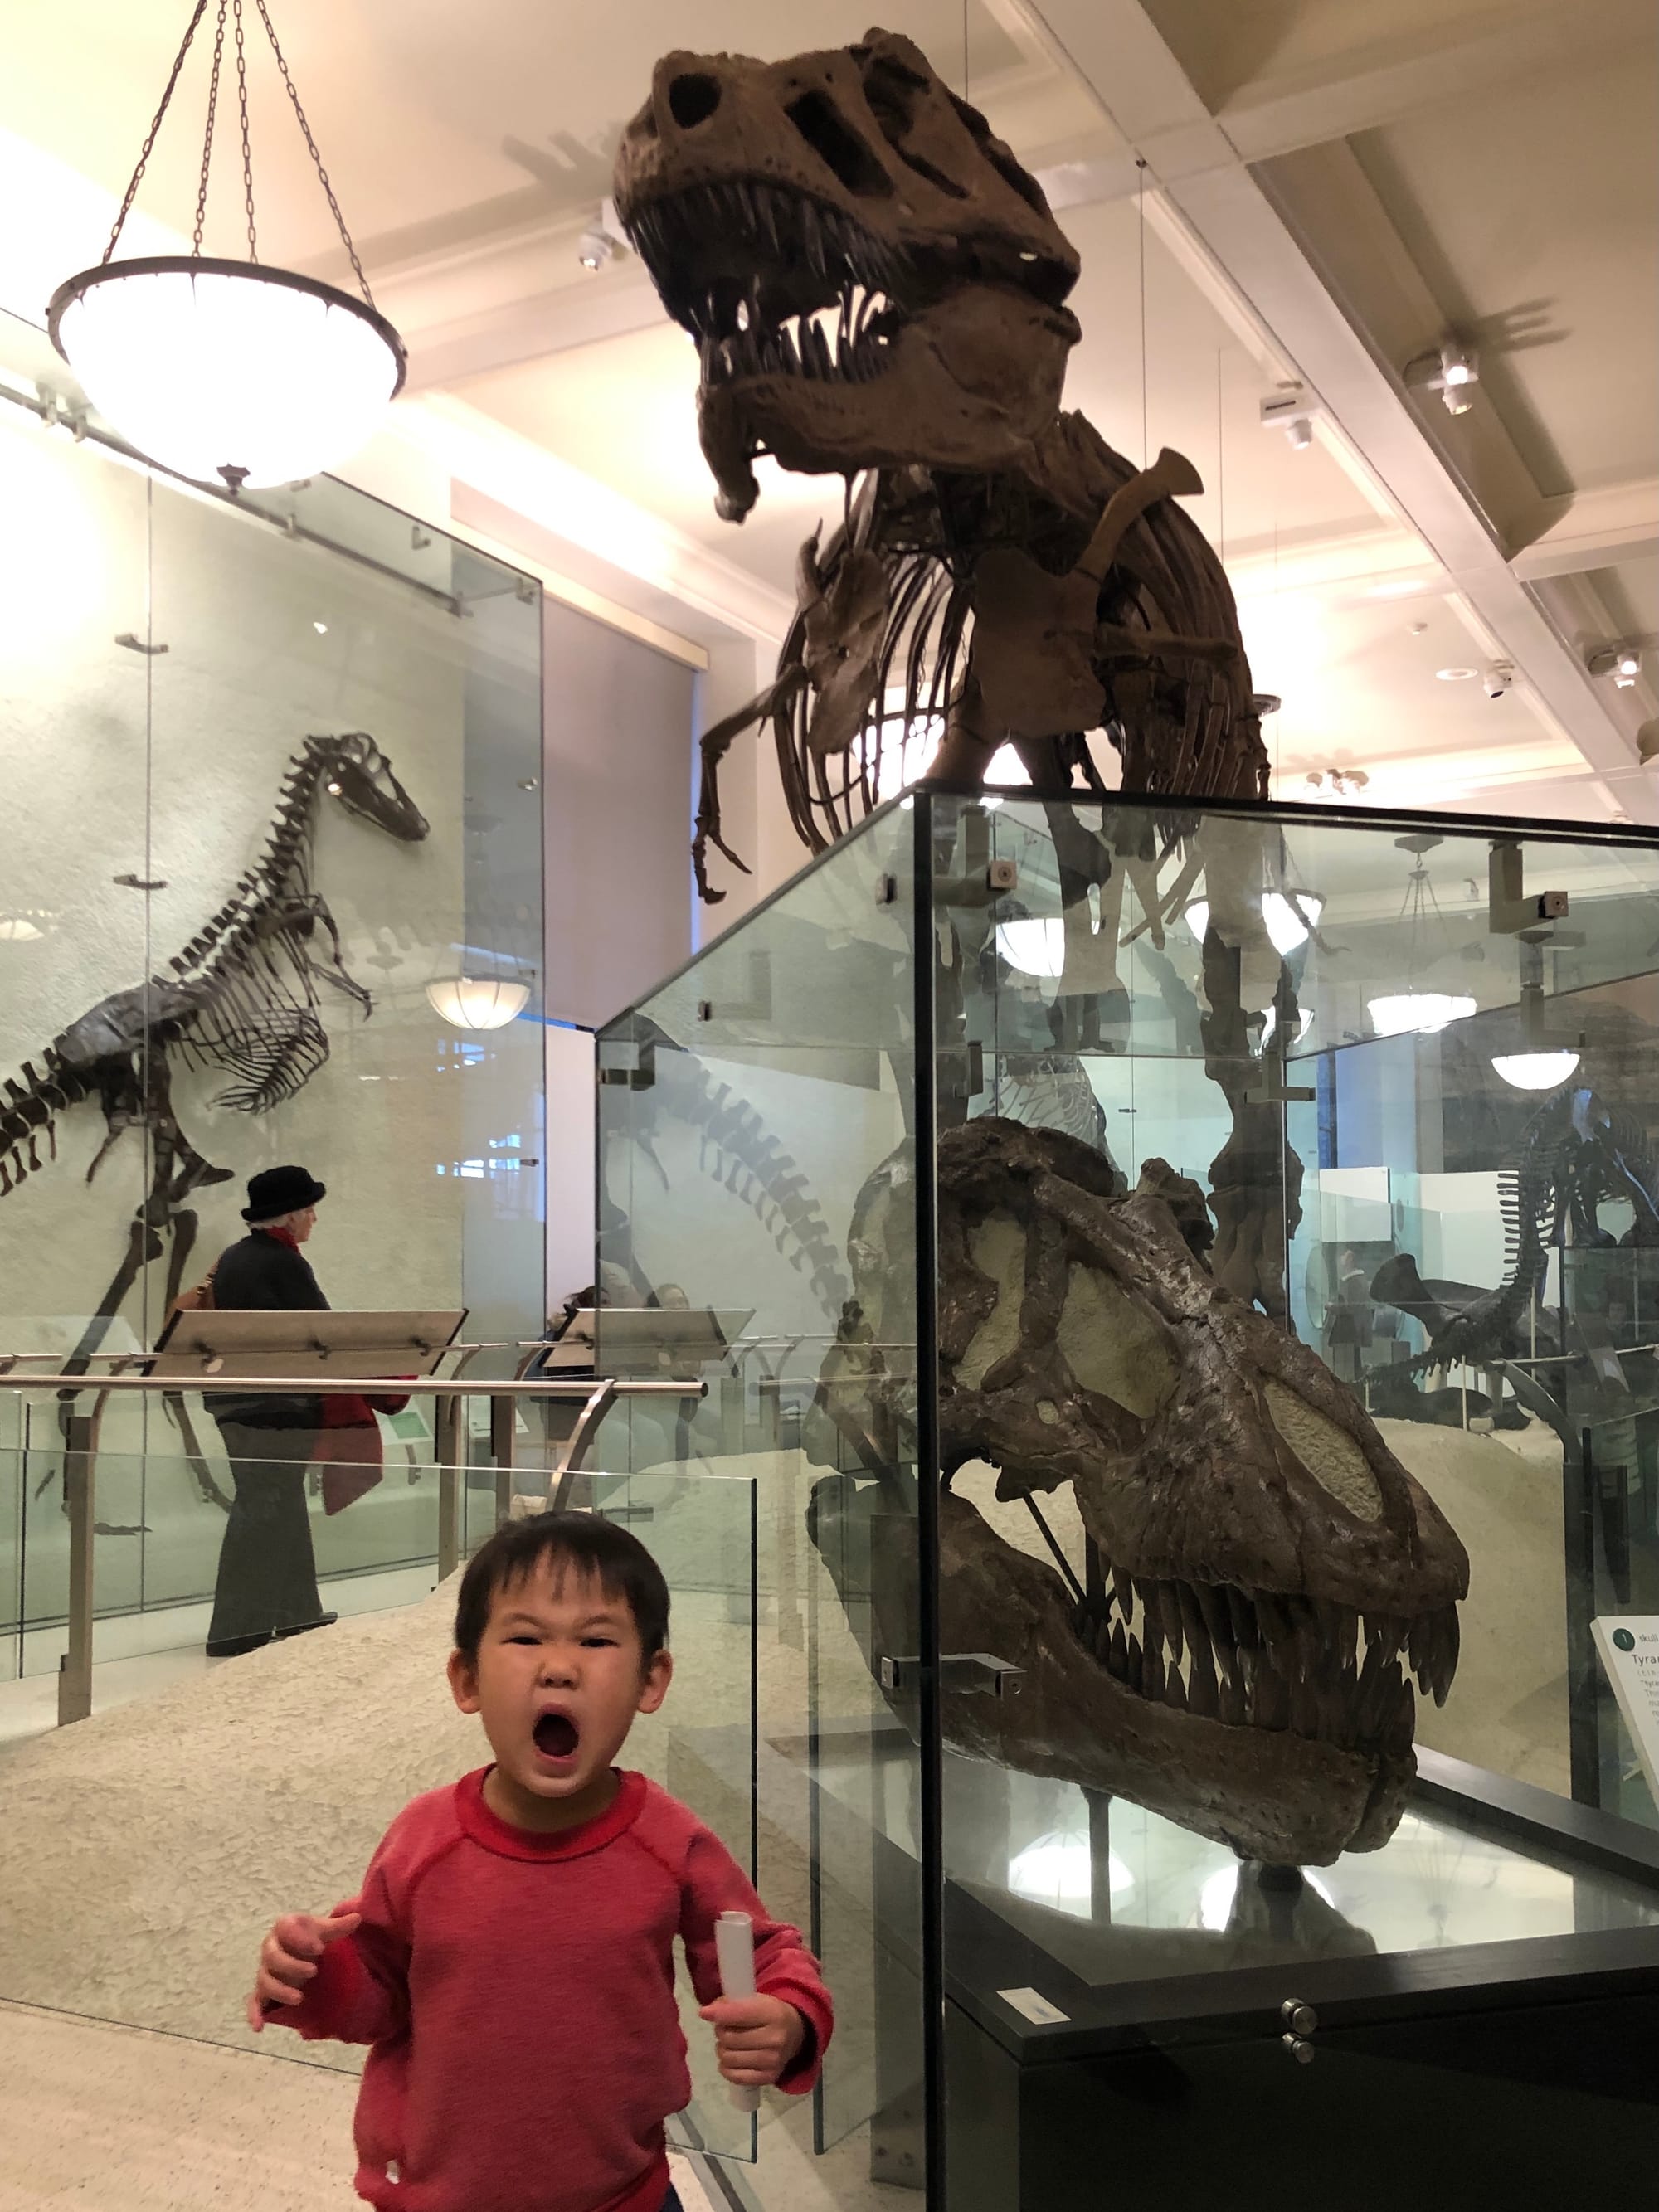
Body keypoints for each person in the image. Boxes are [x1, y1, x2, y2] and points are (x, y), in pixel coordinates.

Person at [247, 1513, 832, 2212]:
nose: (560, 1665)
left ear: (651, 1679)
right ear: (466, 1679)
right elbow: (379, 1987)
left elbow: (763, 1950)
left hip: (627, 2196)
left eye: (596, 1639)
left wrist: (788, 2017)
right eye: (525, 1638)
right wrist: (311, 1977)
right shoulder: (423, 1841)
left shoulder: (669, 1840)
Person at [204, 1164, 338, 1659]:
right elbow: (322, 1328)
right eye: (311, 1210)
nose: (314, 1221)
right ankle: (238, 1627)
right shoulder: (284, 1262)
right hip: (277, 1403)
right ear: (292, 1216)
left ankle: (295, 1610)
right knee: (265, 1501)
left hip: (237, 1400)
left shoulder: (234, 1257)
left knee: (274, 1498)